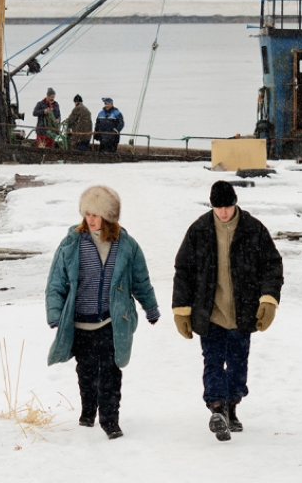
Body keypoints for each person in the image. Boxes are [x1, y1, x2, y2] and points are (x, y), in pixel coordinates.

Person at [172, 180, 284, 442]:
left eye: (227, 206)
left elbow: (272, 265)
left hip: (243, 313)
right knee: (212, 362)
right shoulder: (199, 230)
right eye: (218, 207)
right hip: (209, 312)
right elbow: (184, 271)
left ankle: (232, 406)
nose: (223, 212)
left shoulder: (253, 229)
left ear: (235, 203)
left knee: (236, 365)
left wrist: (268, 300)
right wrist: (181, 310)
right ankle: (218, 410)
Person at [46, 185, 160, 440]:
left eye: (96, 214)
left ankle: (110, 421)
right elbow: (56, 281)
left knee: (110, 372)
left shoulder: (126, 246)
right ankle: (88, 410)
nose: (91, 220)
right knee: (86, 371)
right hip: (81, 323)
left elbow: (141, 280)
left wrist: (150, 307)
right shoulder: (72, 244)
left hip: (113, 321)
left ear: (109, 216)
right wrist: (55, 313)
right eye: (87, 214)